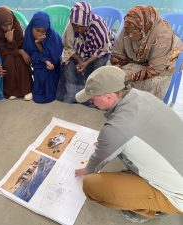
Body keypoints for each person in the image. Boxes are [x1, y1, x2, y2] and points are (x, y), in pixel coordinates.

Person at [74, 65, 183, 223]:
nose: (91, 100)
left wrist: (86, 169)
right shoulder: (142, 95)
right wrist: (111, 142)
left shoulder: (117, 129)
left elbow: (94, 165)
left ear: (109, 97)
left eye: (93, 97)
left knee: (91, 185)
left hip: (178, 195)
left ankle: (151, 209)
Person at [110, 5, 183, 100]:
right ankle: (119, 101)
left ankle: (139, 106)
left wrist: (130, 77)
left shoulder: (162, 36)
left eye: (134, 32)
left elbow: (156, 69)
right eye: (127, 31)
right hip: (139, 60)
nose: (129, 36)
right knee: (110, 71)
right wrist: (117, 69)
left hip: (162, 66)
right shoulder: (129, 26)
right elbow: (117, 53)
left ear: (145, 27)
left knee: (151, 84)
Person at [56, 1, 114, 103]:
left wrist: (86, 63)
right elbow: (68, 47)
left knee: (99, 68)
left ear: (87, 22)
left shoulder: (98, 26)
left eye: (81, 26)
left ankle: (93, 96)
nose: (78, 30)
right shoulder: (71, 25)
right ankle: (72, 93)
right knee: (67, 65)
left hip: (98, 52)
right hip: (79, 53)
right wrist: (79, 60)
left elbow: (103, 49)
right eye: (75, 26)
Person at [0, 6, 33, 100]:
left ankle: (26, 90)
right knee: (9, 62)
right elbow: (0, 49)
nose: (9, 28)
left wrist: (17, 48)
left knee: (21, 60)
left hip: (16, 50)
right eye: (5, 25)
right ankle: (11, 91)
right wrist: (11, 42)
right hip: (4, 53)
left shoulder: (16, 25)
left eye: (10, 24)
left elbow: (20, 43)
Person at [24, 11, 63, 103]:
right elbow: (31, 54)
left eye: (43, 31)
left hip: (52, 64)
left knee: (48, 70)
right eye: (37, 30)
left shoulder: (52, 35)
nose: (40, 34)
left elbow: (54, 57)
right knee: (39, 68)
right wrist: (43, 59)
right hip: (39, 62)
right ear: (32, 27)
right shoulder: (28, 34)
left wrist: (38, 44)